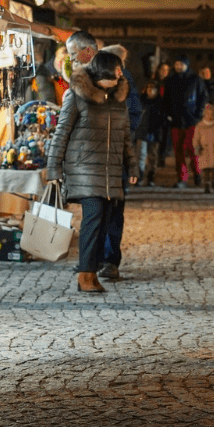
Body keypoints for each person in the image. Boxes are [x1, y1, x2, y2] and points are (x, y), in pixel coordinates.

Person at [45, 50, 135, 293]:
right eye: (112, 76)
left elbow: (125, 135)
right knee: (93, 218)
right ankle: (85, 274)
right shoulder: (75, 96)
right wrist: (53, 168)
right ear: (99, 74)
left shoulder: (119, 98)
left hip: (111, 170)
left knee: (105, 221)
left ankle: (92, 272)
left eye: (118, 76)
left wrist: (132, 165)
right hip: (84, 168)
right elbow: (61, 133)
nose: (116, 80)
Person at [99, 45, 142, 281]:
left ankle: (110, 259)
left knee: (114, 210)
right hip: (94, 159)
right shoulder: (89, 82)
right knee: (96, 210)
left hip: (116, 157)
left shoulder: (127, 84)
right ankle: (94, 258)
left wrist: (118, 132)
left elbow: (134, 115)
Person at [163, 57, 206, 188]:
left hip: (191, 120)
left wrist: (198, 115)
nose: (178, 66)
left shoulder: (195, 80)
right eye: (176, 63)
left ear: (186, 65)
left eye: (181, 63)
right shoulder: (171, 80)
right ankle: (182, 178)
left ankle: (197, 175)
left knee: (192, 149)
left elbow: (203, 97)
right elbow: (166, 99)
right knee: (178, 151)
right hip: (176, 121)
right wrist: (168, 114)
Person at [135, 79, 165, 186]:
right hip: (142, 131)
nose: (151, 91)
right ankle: (140, 176)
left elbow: (163, 119)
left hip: (155, 132)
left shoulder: (160, 103)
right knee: (141, 155)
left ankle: (151, 177)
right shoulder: (140, 101)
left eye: (154, 89)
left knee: (153, 155)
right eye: (149, 88)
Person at [193, 103, 214, 193]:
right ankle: (206, 184)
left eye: (212, 114)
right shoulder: (200, 126)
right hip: (204, 151)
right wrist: (196, 147)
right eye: (208, 114)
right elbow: (196, 138)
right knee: (205, 170)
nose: (210, 116)